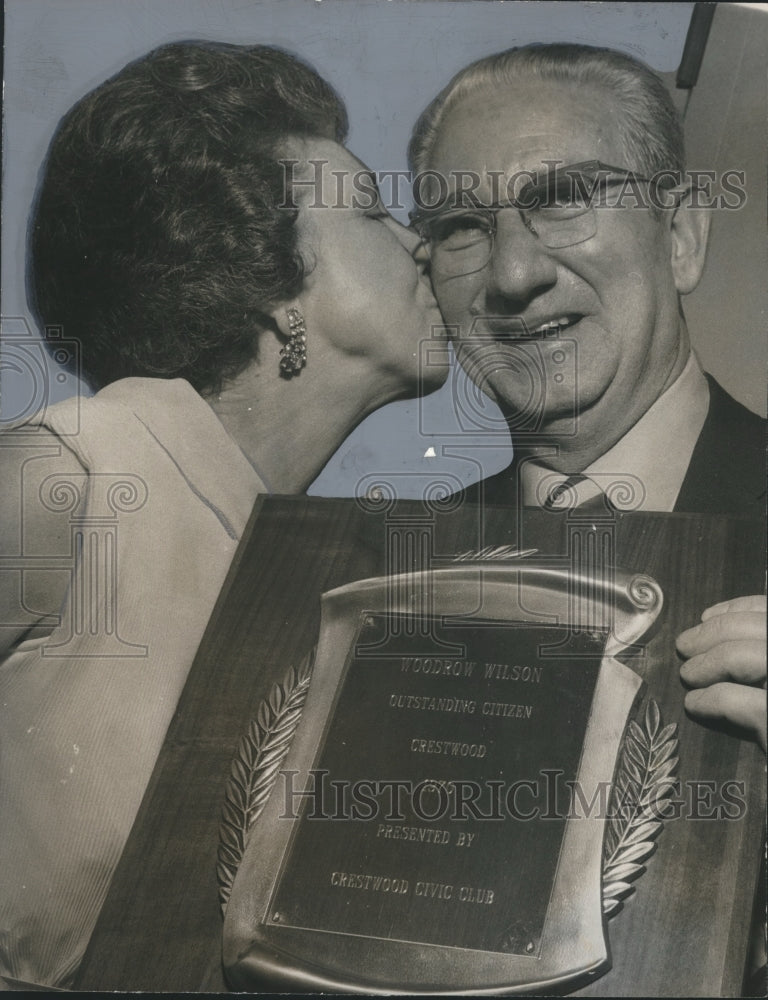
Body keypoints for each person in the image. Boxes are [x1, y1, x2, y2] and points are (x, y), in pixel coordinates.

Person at [0, 41, 447, 988]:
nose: (418, 241)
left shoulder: (320, 572)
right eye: (369, 209)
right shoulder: (77, 471)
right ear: (275, 283)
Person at [407, 44, 765, 749]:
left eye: (564, 199)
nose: (512, 274)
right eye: (461, 229)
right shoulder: (396, 576)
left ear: (683, 237)